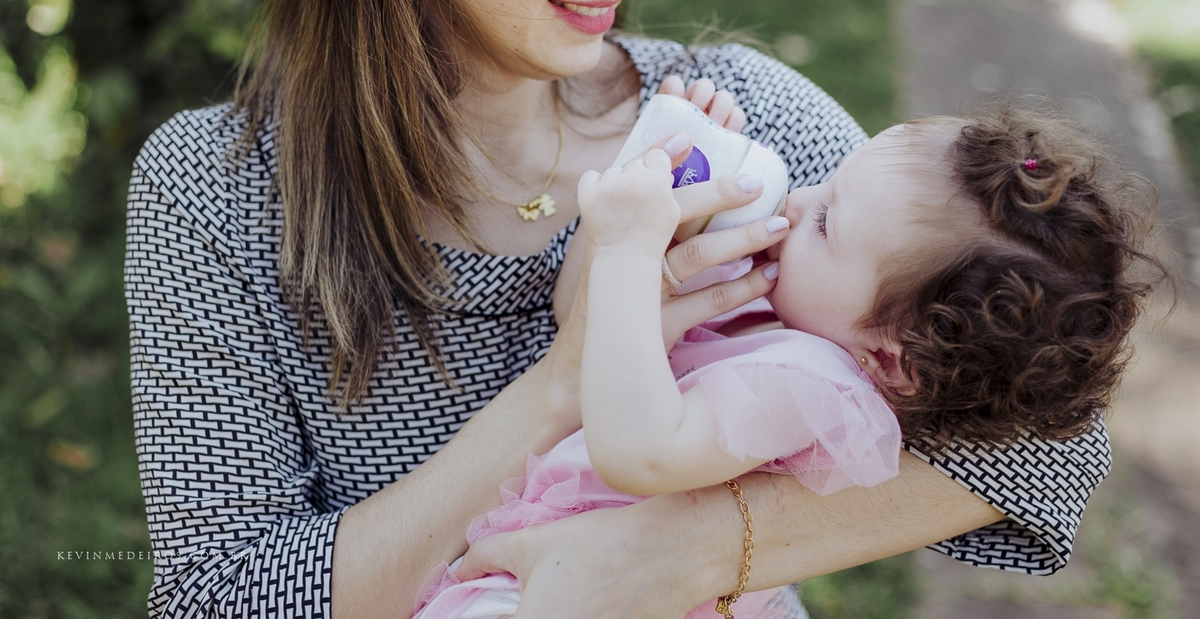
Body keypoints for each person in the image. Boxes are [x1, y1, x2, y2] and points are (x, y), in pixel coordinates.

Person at [123, 0, 1123, 617]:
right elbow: (227, 596)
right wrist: (564, 377)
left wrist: (685, 549)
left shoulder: (743, 125)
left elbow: (1050, 441)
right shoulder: (216, 197)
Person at [411, 105, 1159, 619]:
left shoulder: (810, 383)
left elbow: (637, 451)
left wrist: (636, 255)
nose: (798, 203)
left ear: (892, 360)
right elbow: (580, 319)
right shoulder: (778, 312)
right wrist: (662, 198)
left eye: (829, 221)